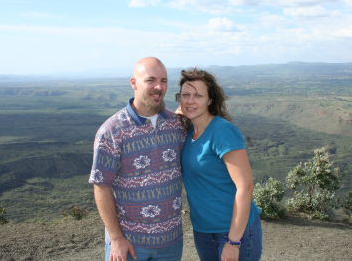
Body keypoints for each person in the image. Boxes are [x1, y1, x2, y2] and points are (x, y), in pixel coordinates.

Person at [89, 57, 186, 261]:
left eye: (164, 80)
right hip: (129, 243)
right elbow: (101, 186)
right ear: (133, 83)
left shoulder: (177, 126)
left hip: (171, 242)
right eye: (151, 80)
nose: (159, 87)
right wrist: (116, 238)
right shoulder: (112, 131)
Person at [176, 68, 262, 261]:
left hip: (232, 231)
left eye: (198, 95)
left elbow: (246, 186)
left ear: (210, 100)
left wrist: (233, 242)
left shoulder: (222, 131)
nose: (190, 100)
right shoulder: (189, 130)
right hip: (203, 230)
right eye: (185, 95)